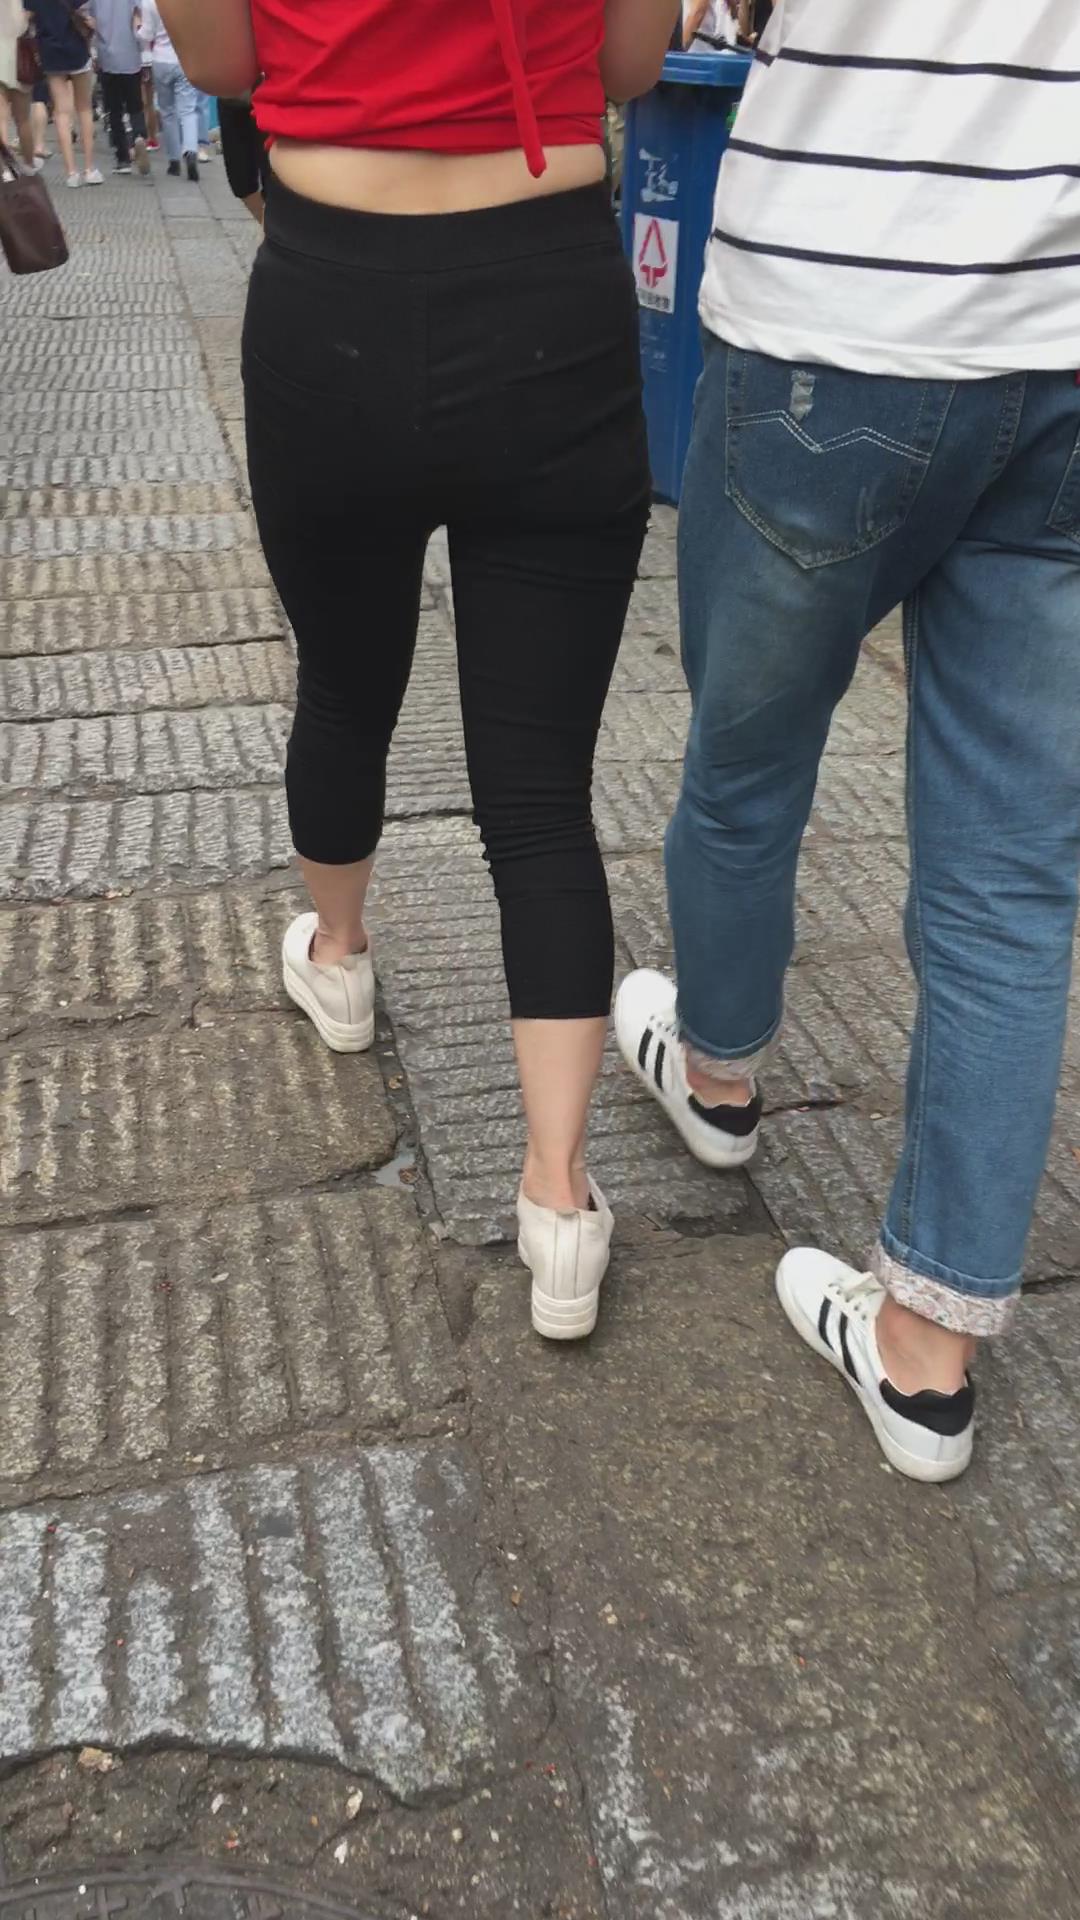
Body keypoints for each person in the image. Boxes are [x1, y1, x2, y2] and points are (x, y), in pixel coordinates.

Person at [157, 0, 675, 1343]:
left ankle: (339, 957)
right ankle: (557, 1193)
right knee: (539, 790)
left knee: (343, 689)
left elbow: (219, 62)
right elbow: (632, 66)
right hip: (550, 286)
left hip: (333, 288)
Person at [616, 0, 1080, 1482]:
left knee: (747, 765)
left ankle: (720, 1080)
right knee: (1012, 879)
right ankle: (927, 1356)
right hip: (1065, 342)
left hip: (839, 308)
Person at [25, 0, 99, 184]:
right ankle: (89, 169)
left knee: (61, 112)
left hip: (50, 52)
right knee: (84, 109)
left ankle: (71, 173)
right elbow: (85, 11)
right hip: (77, 49)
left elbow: (26, 18)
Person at [135, 0, 197, 180]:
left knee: (167, 112)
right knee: (188, 110)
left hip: (161, 59)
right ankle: (190, 150)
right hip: (185, 58)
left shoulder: (150, 2)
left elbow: (146, 35)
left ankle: (174, 161)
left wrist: (137, 28)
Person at [88, 0, 148, 174]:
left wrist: (93, 52)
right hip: (130, 54)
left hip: (107, 55)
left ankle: (123, 158)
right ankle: (138, 135)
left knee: (114, 110)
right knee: (135, 104)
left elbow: (90, 20)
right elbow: (139, 18)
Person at [0, 0, 38, 167]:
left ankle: (5, 168)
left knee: (1, 119)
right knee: (23, 119)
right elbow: (28, 19)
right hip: (20, 58)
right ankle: (29, 165)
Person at [217, 89, 263, 224]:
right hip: (232, 95)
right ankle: (270, 229)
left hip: (274, 97)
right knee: (241, 183)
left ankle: (275, 231)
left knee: (275, 180)